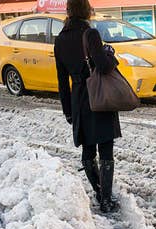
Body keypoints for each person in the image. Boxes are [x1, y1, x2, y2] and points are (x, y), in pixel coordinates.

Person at [55, 0, 121, 213]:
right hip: (98, 95)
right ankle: (106, 199)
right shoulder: (90, 34)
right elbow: (102, 65)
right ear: (86, 11)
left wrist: (68, 110)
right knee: (106, 147)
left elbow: (62, 80)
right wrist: (109, 53)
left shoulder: (60, 39)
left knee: (88, 147)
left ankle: (98, 190)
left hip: (78, 99)